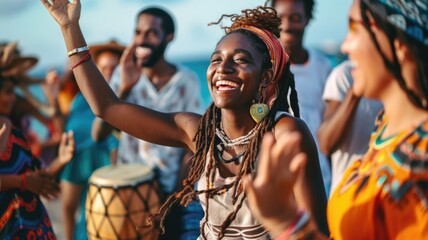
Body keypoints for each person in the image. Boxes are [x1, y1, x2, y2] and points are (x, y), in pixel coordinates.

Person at [40, 0, 329, 239]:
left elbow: (315, 230)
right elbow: (107, 107)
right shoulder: (198, 132)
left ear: (265, 77)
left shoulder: (284, 133)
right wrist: (70, 28)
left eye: (240, 60)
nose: (223, 68)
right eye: (216, 59)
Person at [243, 0, 428, 239]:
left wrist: (287, 224)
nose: (345, 45)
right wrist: (286, 222)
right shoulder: (384, 131)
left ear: (399, 44)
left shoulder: (421, 155)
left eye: (355, 29)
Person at [90, 7, 204, 238]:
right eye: (138, 32)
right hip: (130, 187)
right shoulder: (123, 73)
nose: (142, 40)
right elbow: (98, 134)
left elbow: (193, 146)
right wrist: (123, 89)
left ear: (168, 37)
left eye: (151, 33)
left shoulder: (187, 81)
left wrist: (172, 199)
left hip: (171, 191)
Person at [58, 40, 124, 240]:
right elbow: (68, 204)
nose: (109, 74)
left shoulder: (132, 105)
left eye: (115, 68)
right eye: (103, 68)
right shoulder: (79, 103)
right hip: (88, 222)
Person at [0, 74, 75, 239]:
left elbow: (36, 179)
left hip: (38, 228)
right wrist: (23, 182)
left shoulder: (14, 132)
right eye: (7, 91)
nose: (13, 97)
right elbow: (27, 181)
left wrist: (60, 161)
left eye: (13, 91)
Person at [272, 0, 332, 194]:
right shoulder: (264, 69)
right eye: (280, 18)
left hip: (321, 178)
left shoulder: (322, 67)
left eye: (295, 18)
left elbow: (330, 126)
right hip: (277, 181)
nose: (287, 25)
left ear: (307, 19)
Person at [317, 60, 383, 195]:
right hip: (348, 198)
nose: (345, 46)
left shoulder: (412, 78)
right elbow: (326, 145)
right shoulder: (346, 75)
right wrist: (355, 93)